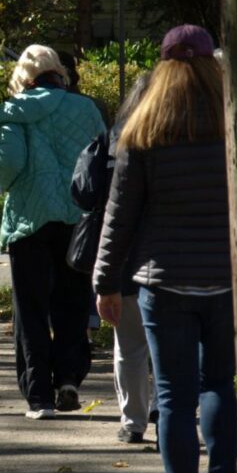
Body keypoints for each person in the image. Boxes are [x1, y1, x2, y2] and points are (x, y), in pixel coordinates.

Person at [94, 25, 237, 473]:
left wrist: (106, 282)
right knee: (220, 385)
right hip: (228, 279)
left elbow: (120, 214)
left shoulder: (144, 130)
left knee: (175, 397)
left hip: (164, 281)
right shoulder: (235, 125)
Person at [0, 44, 105, 419]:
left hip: (30, 216)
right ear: (59, 71)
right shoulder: (86, 107)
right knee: (72, 302)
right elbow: (101, 157)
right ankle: (70, 378)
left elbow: (10, 164)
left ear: (24, 76)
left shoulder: (13, 111)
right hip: (76, 217)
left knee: (31, 307)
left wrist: (1, 184)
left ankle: (39, 394)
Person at [72, 73, 155, 445]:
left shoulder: (111, 139)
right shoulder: (172, 137)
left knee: (129, 342)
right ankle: (161, 407)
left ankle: (133, 419)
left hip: (120, 252)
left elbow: (83, 192)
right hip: (163, 252)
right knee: (166, 341)